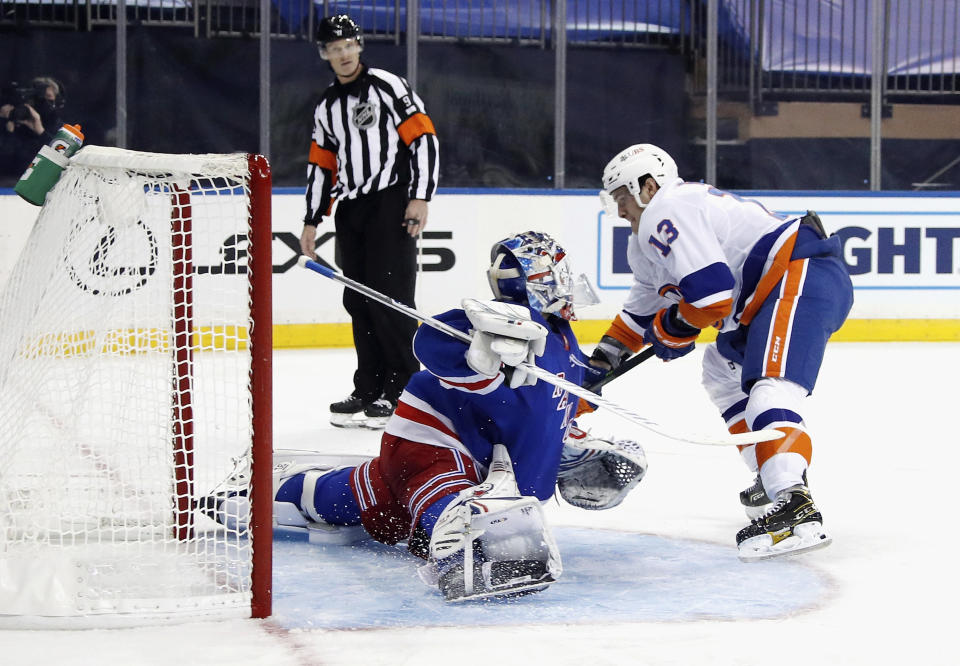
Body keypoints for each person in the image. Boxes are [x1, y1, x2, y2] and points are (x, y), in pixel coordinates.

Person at [202, 231, 648, 601]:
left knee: (364, 497)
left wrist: (573, 456)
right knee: (442, 497)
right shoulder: (501, 329)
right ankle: (458, 538)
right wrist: (483, 356)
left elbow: (555, 411)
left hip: (474, 462)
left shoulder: (566, 348)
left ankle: (281, 488)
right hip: (433, 442)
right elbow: (429, 343)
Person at [592, 144, 853, 562]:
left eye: (622, 197)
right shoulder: (645, 242)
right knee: (721, 371)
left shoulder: (668, 207)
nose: (620, 210)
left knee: (770, 387)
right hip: (763, 298)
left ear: (647, 185)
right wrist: (600, 364)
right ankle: (773, 475)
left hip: (798, 274)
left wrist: (673, 328)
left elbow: (712, 296)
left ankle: (794, 505)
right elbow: (642, 313)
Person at [299, 14, 440, 430]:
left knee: (391, 297)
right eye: (333, 49)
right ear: (324, 54)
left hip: (391, 200)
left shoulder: (388, 86)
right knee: (357, 299)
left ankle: (402, 386)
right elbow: (322, 165)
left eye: (348, 46)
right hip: (352, 209)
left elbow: (424, 138)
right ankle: (369, 385)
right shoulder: (327, 105)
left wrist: (419, 197)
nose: (342, 54)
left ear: (358, 46)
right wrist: (311, 219)